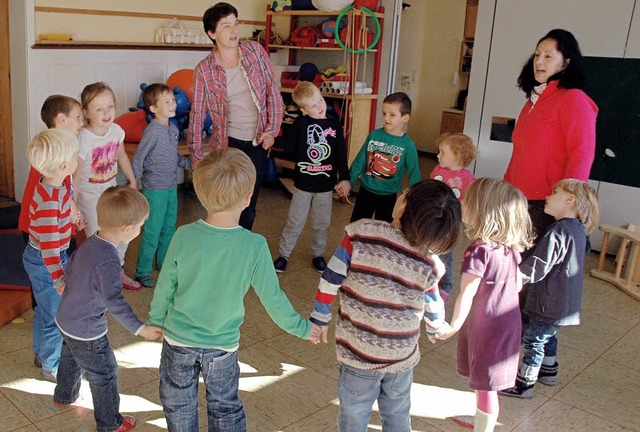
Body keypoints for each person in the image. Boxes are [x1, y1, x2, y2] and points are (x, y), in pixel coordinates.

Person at [148, 148, 319, 431]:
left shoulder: (184, 235)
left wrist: (155, 320)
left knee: (178, 404)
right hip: (222, 347)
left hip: (178, 340)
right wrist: (303, 328)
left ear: (200, 194)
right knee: (225, 407)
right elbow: (274, 300)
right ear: (248, 198)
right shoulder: (254, 246)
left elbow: (165, 286)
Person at [312, 179, 461, 432]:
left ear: (403, 205)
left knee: (354, 416)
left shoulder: (361, 234)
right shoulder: (430, 262)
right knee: (397, 415)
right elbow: (433, 304)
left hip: (359, 355)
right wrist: (436, 328)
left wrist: (320, 316)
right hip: (401, 357)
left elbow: (330, 278)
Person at [54, 186, 163, 432]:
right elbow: (115, 301)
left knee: (70, 357)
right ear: (127, 229)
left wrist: (65, 284)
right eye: (140, 226)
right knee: (104, 374)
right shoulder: (110, 260)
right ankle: (110, 423)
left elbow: (70, 266)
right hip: (88, 330)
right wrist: (140, 329)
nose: (140, 230)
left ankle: (64, 395)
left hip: (66, 318)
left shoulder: (92, 241)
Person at [433, 178, 533, 432]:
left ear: (485, 212)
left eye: (468, 200)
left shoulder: (479, 251)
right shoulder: (510, 249)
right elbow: (517, 285)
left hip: (487, 328)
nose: (462, 202)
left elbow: (466, 293)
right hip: (507, 324)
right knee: (488, 382)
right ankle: (482, 419)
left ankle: (484, 427)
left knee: (486, 385)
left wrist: (452, 326)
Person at [187, 2, 283, 231]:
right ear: (212, 33)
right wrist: (197, 156)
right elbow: (198, 114)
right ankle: (224, 244)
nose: (233, 31)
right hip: (228, 142)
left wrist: (272, 131)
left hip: (258, 140)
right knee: (225, 202)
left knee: (248, 203)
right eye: (226, 26)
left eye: (235, 24)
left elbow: (273, 92)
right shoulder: (204, 69)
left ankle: (242, 248)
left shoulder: (255, 52)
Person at [500, 179, 600, 399]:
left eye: (555, 192)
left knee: (534, 340)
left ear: (570, 199)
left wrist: (516, 278)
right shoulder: (579, 230)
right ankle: (549, 372)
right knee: (547, 334)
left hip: (547, 300)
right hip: (566, 303)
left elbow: (540, 264)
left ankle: (524, 385)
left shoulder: (558, 230)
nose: (548, 196)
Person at [504, 29, 597, 254]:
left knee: (531, 271)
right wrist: (505, 189)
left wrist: (568, 201)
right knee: (512, 265)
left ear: (565, 63)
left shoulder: (574, 99)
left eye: (548, 56)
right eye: (537, 55)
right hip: (519, 199)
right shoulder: (533, 101)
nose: (539, 61)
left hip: (547, 202)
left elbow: (582, 152)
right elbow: (520, 152)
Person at [18, 95, 86, 322]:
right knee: (47, 299)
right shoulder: (51, 159)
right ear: (61, 120)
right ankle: (48, 323)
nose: (81, 122)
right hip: (40, 232)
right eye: (77, 117)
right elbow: (47, 209)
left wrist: (72, 209)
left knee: (49, 295)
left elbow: (63, 191)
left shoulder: (56, 159)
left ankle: (50, 315)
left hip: (48, 231)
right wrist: (58, 278)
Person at [272, 81, 350, 274]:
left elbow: (341, 154)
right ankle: (283, 255)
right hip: (302, 186)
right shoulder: (301, 124)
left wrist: (345, 178)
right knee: (294, 221)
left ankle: (318, 254)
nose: (320, 106)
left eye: (321, 100)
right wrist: (270, 140)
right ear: (304, 110)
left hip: (325, 186)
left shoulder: (333, 125)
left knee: (321, 223)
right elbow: (288, 144)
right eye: (314, 106)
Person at [22, 128, 80, 382]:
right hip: (46, 261)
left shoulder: (53, 184)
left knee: (46, 311)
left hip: (50, 257)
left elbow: (61, 208)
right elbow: (48, 245)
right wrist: (58, 277)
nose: (79, 159)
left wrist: (71, 214)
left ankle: (41, 354)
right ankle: (51, 366)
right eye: (76, 156)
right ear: (65, 165)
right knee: (56, 316)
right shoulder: (49, 201)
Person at [74, 82, 141, 290]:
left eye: (110, 106)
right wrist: (72, 204)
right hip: (89, 195)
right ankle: (99, 276)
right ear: (85, 112)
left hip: (111, 191)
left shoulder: (116, 131)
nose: (106, 113)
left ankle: (116, 270)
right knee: (99, 237)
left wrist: (132, 180)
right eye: (99, 108)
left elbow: (121, 155)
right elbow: (76, 175)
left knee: (123, 232)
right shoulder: (84, 138)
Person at [132, 83, 191, 288]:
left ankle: (164, 264)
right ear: (154, 108)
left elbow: (173, 156)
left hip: (170, 188)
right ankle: (142, 272)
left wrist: (190, 165)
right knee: (152, 231)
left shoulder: (173, 129)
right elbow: (139, 158)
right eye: (167, 101)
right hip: (154, 190)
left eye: (173, 100)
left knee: (169, 228)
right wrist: (135, 185)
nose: (173, 103)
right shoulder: (152, 131)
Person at [344, 92, 421, 223]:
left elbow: (414, 172)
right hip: (365, 191)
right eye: (384, 113)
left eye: (392, 115)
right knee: (356, 227)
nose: (386, 118)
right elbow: (360, 161)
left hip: (388, 196)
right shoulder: (373, 135)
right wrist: (348, 181)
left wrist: (415, 198)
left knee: (384, 231)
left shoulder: (408, 145)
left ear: (405, 117)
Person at [430, 132, 478, 300]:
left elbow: (469, 205)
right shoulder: (438, 169)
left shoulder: (469, 180)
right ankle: (426, 281)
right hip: (433, 219)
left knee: (445, 256)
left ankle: (444, 286)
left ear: (457, 155)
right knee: (428, 251)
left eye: (443, 152)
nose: (438, 155)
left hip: (450, 224)